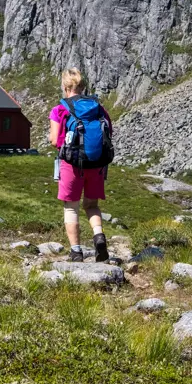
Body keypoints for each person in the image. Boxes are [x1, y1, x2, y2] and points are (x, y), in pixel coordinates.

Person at [48, 68, 111, 262]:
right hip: (97, 164)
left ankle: (76, 252)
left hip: (72, 165)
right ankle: (98, 236)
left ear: (65, 87)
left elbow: (53, 140)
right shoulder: (98, 108)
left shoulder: (59, 109)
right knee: (91, 205)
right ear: (83, 87)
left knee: (71, 207)